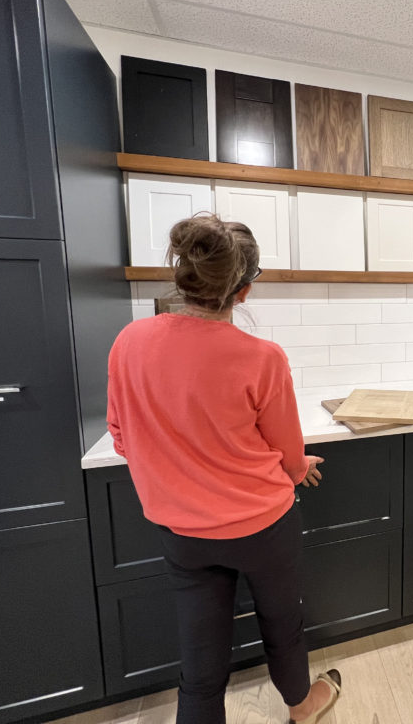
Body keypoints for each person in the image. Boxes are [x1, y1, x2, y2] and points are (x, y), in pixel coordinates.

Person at [106, 214, 341, 724]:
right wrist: (300, 467)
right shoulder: (262, 357)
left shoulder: (129, 341)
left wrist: (177, 462)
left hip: (182, 532)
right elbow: (289, 454)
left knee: (200, 645)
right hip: (263, 527)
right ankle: (302, 707)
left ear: (182, 277)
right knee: (282, 622)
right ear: (244, 291)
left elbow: (122, 436)